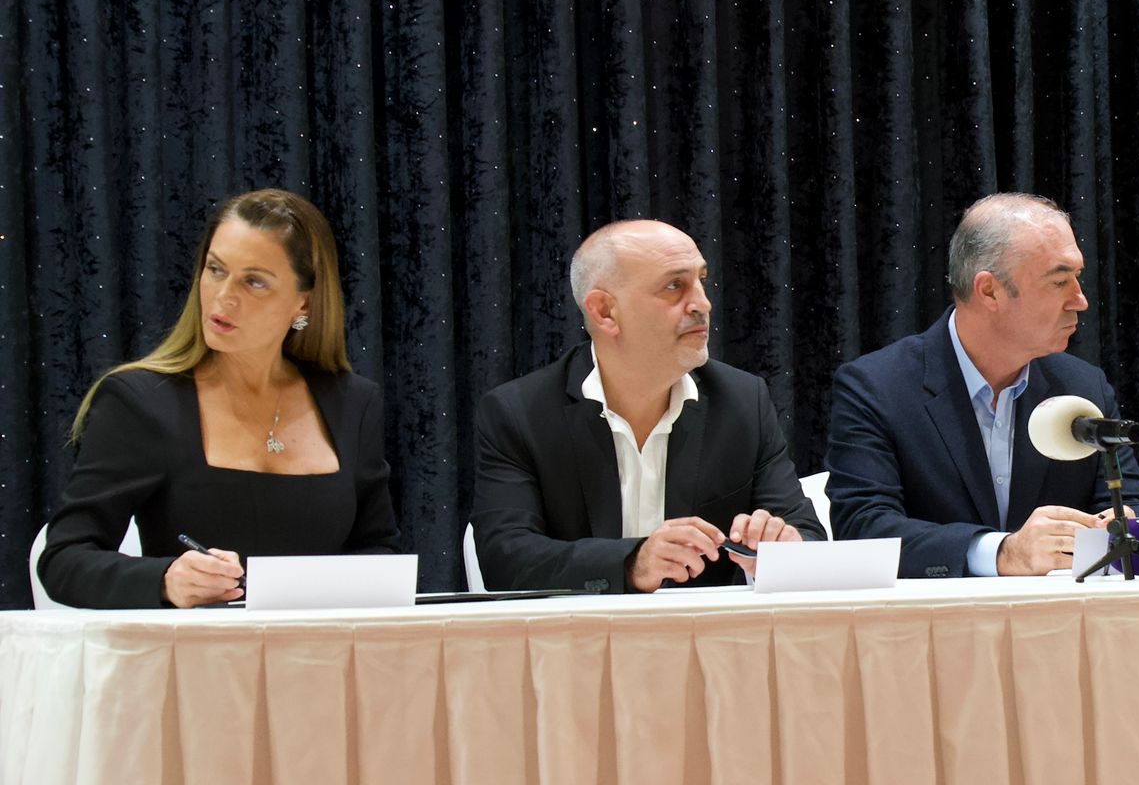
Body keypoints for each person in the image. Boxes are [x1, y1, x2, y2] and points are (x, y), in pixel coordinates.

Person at [38, 189, 400, 608]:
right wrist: (166, 580)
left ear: (303, 302)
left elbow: (381, 553)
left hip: (322, 646)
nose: (224, 296)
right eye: (215, 270)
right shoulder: (140, 402)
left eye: (254, 281)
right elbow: (63, 559)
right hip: (193, 648)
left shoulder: (353, 404)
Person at [471, 219, 821, 592]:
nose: (703, 304)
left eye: (702, 281)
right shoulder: (519, 413)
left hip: (705, 629)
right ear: (605, 312)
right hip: (576, 628)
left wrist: (784, 545)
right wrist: (632, 563)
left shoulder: (742, 401)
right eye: (674, 286)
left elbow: (807, 533)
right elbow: (506, 559)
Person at [825, 192, 1139, 577]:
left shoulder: (1082, 386)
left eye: (1077, 278)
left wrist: (1123, 521)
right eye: (1059, 281)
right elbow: (863, 528)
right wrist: (1001, 552)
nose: (1080, 300)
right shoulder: (877, 387)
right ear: (989, 291)